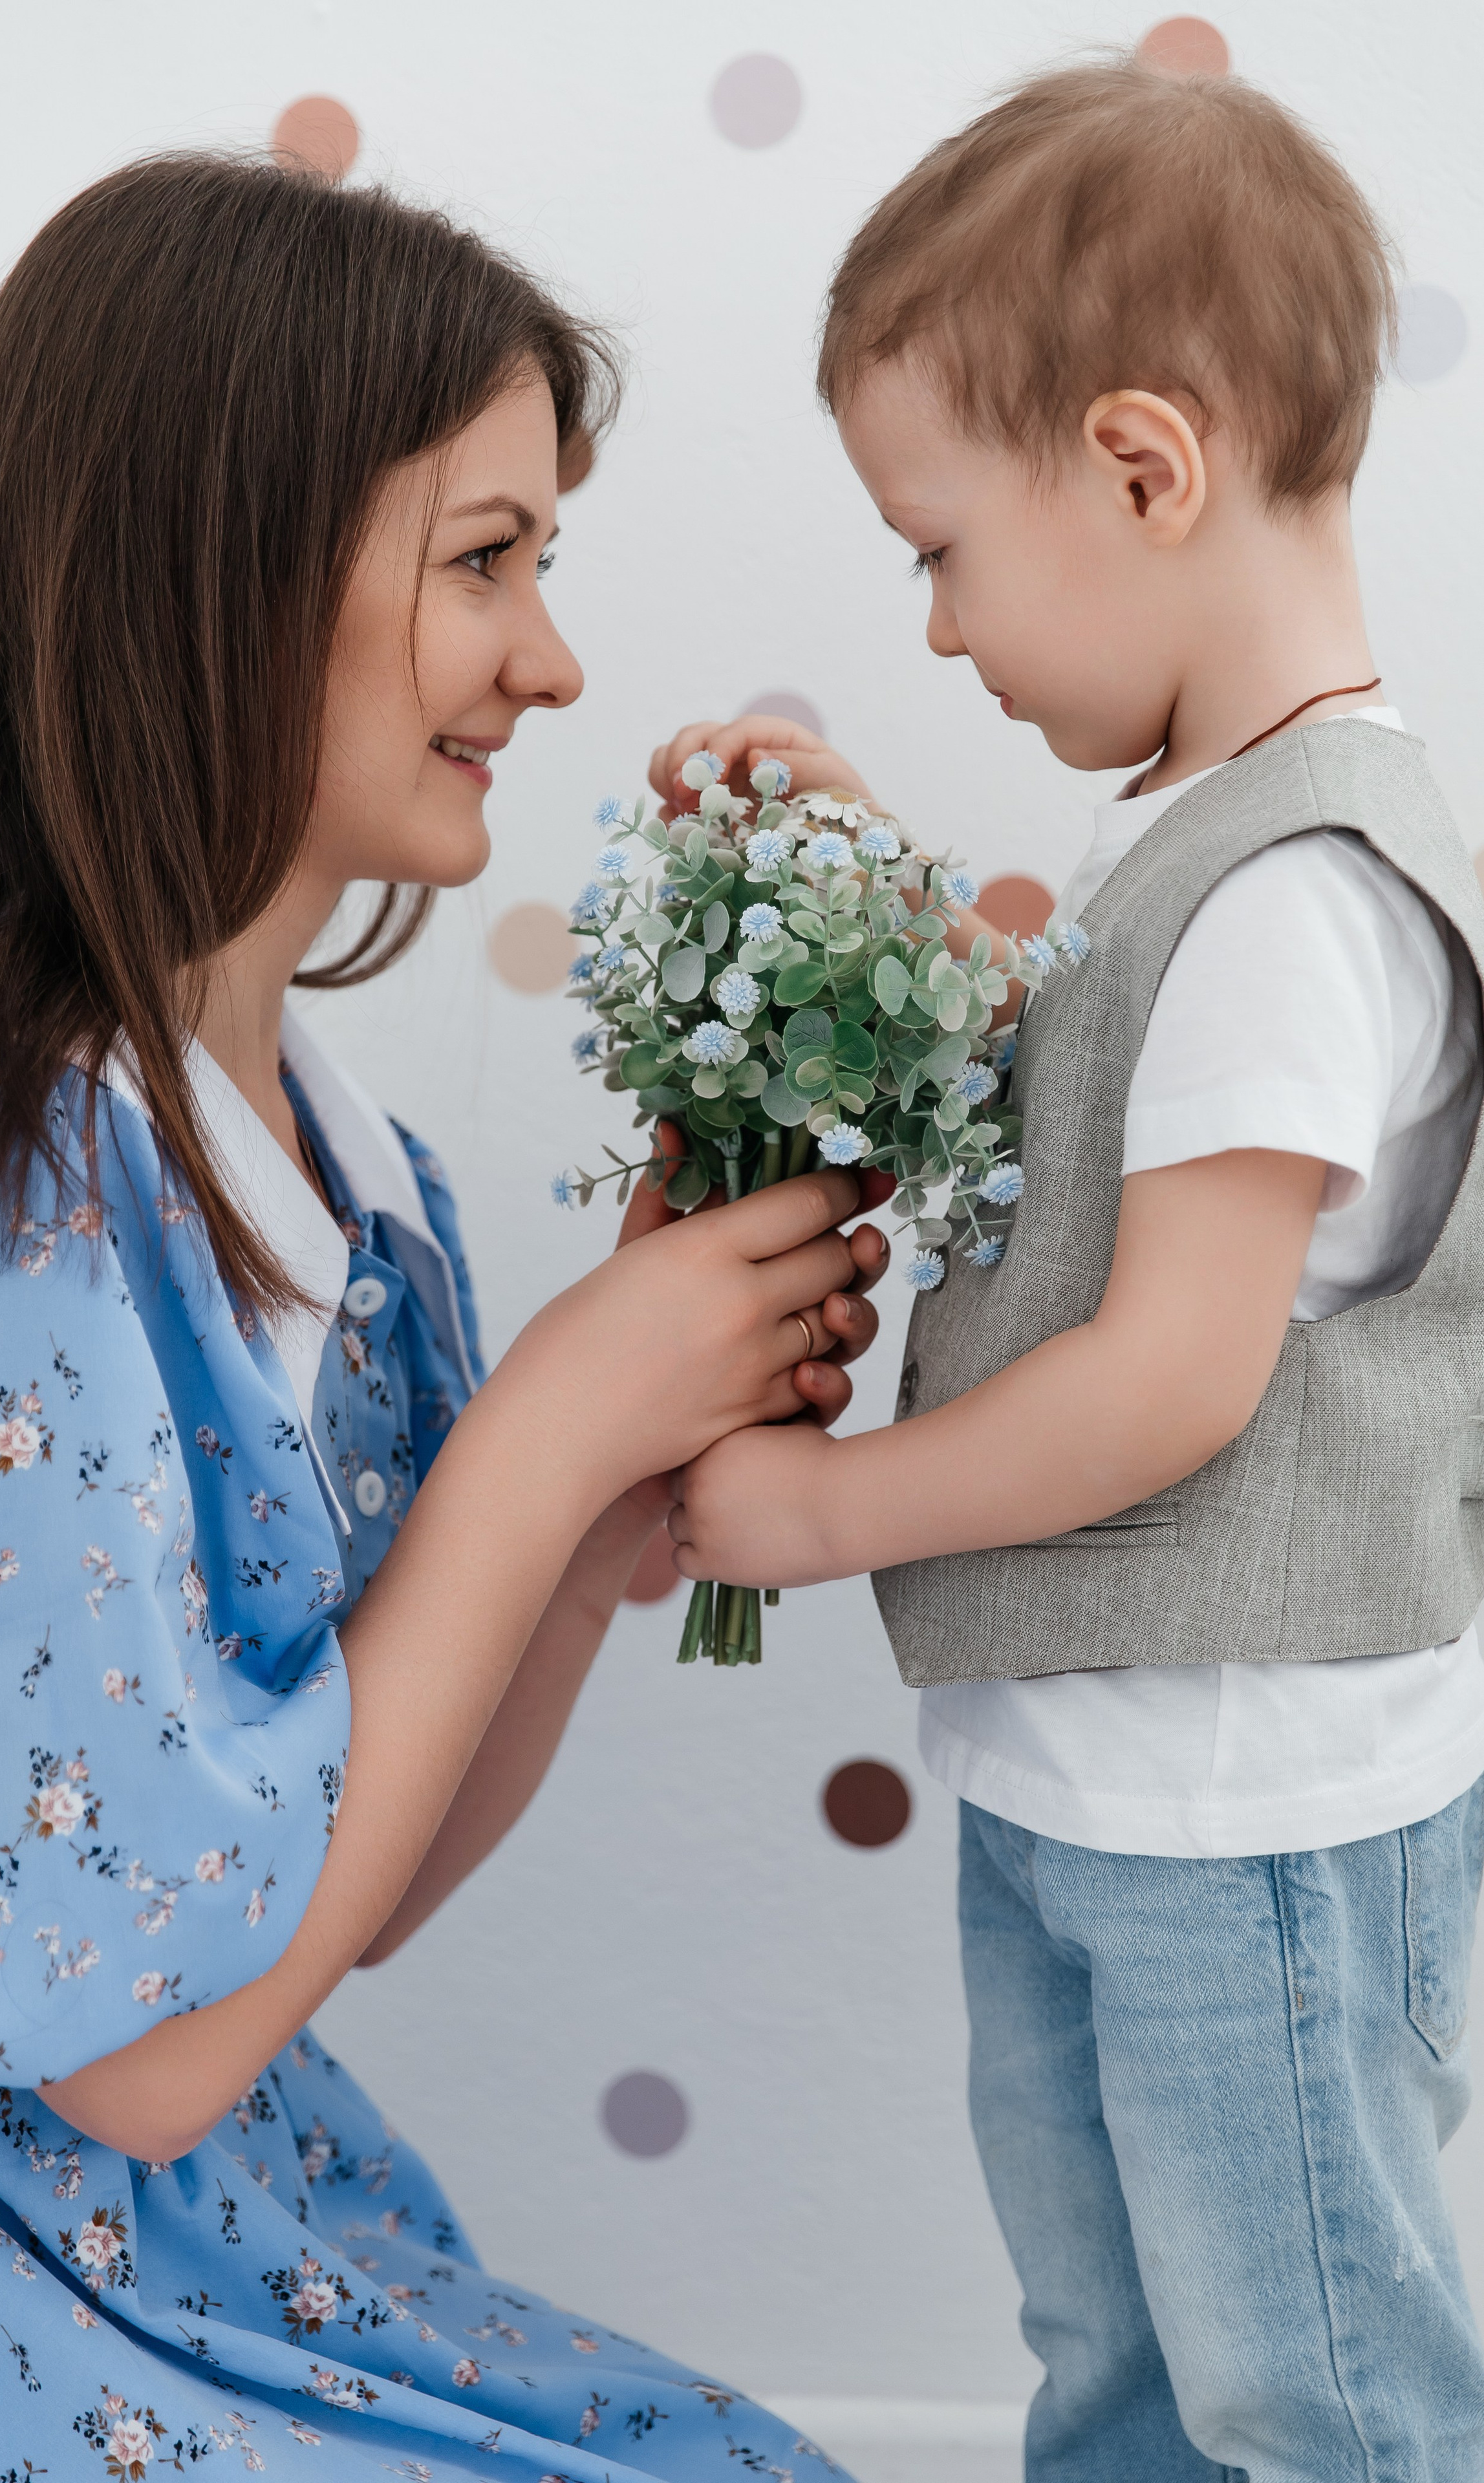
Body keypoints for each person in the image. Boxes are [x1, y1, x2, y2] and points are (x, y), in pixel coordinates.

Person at [0, 156, 888, 2478]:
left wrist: (594, 1517)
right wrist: (546, 1435)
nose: (551, 660)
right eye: (484, 561)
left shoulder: (348, 1176)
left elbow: (350, 1897)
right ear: (223, 564)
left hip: (210, 2238)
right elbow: (140, 2053)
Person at [654, 54, 1484, 2479]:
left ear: (1141, 469)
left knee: (1309, 2390)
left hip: (1246, 1812)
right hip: (1107, 1780)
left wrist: (824, 1510)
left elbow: (1168, 1379)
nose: (934, 629)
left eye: (939, 550)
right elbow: (1094, 1115)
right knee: (1113, 2352)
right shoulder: (1204, 851)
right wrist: (874, 897)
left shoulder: (1300, 893)